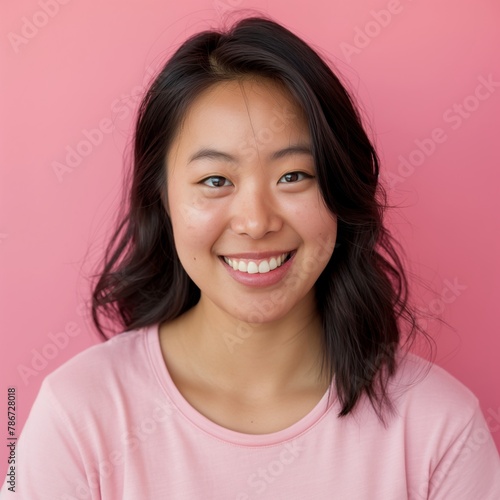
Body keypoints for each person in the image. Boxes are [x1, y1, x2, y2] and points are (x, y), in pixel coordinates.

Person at [1, 15, 499, 500]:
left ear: (341, 189)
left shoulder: (439, 428)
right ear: (162, 198)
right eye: (215, 181)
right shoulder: (78, 414)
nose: (256, 222)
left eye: (293, 176)